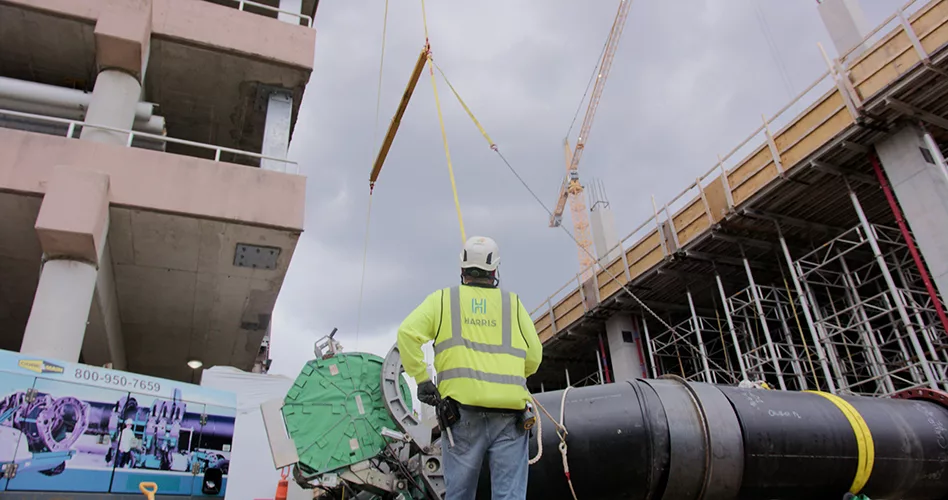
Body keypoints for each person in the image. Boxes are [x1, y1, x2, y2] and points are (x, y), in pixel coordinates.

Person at [397, 236, 543, 500]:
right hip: (510, 417)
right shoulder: (513, 304)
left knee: (459, 495)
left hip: (461, 417)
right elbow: (534, 355)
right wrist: (511, 380)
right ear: (495, 270)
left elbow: (407, 333)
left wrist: (421, 379)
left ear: (462, 269)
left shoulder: (443, 300)